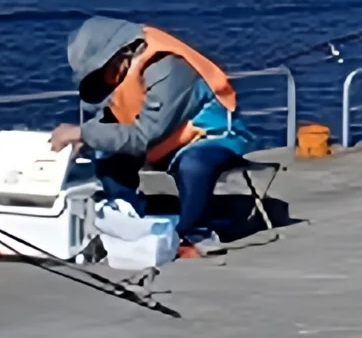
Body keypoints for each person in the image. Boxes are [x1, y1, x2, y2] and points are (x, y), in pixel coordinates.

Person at [49, 18, 255, 257]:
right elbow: (114, 118)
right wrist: (85, 139)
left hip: (206, 135)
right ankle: (128, 218)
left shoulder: (166, 68)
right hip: (163, 139)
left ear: (120, 55)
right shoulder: (117, 75)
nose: (101, 78)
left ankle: (193, 232)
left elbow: (145, 135)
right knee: (108, 158)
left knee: (194, 165)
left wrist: (83, 133)